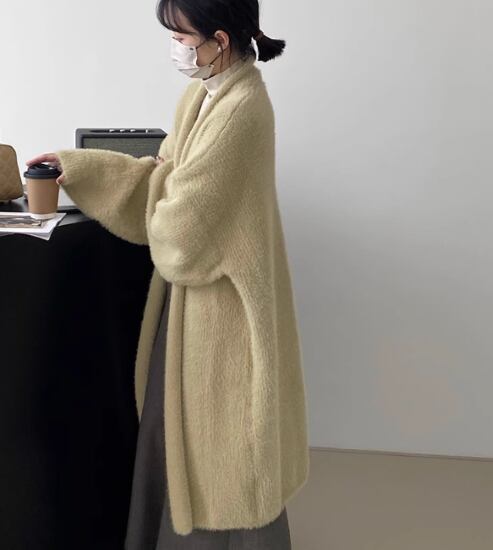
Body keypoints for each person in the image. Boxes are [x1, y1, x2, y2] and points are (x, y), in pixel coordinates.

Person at [26, 1, 309, 549]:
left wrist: (166, 188)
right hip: (192, 308)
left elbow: (183, 237)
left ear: (218, 40)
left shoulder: (241, 110)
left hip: (222, 308)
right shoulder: (203, 96)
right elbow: (167, 183)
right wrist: (77, 165)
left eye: (181, 37)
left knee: (222, 445)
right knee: (188, 436)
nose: (175, 48)